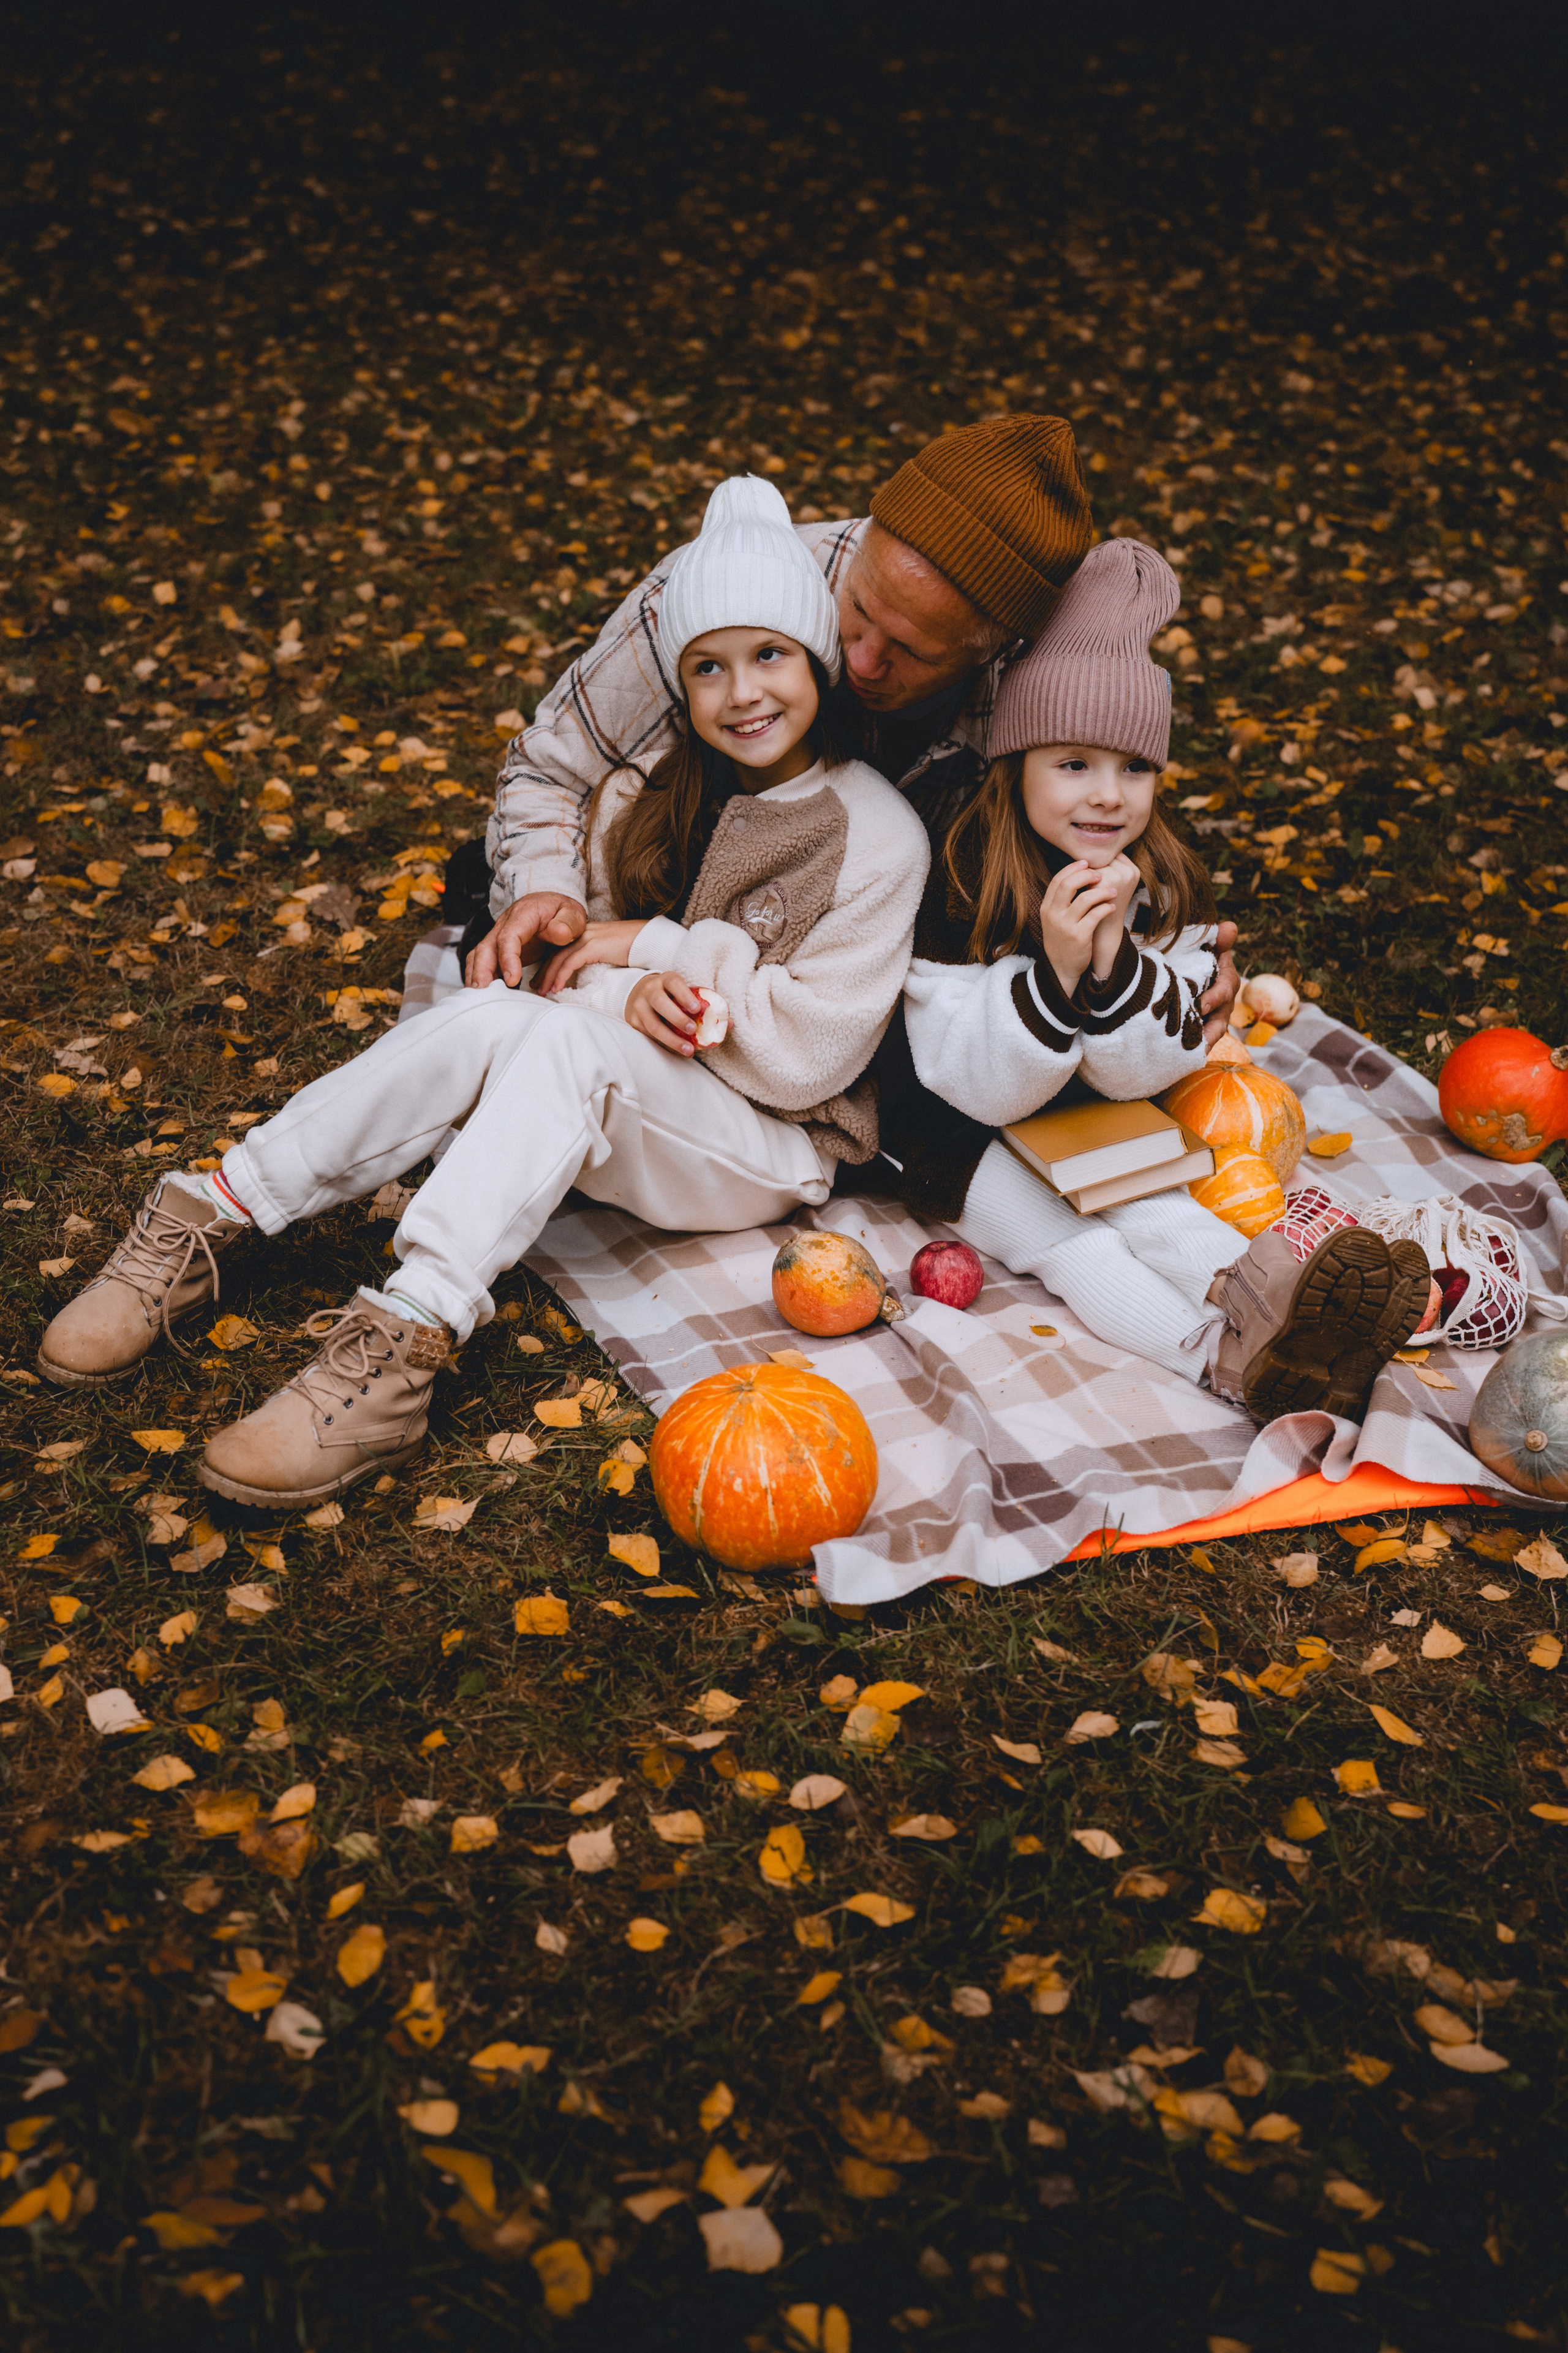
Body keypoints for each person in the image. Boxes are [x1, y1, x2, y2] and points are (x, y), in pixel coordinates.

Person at [37, 478, 930, 1506]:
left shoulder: (874, 833)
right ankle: (218, 1210)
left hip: (774, 1144)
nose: (743, 693)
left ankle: (405, 1336)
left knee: (560, 1042)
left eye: (770, 654)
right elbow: (570, 989)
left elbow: (809, 1055)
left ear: (816, 656)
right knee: (492, 1015)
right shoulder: (665, 792)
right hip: (640, 1090)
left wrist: (658, 951)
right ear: (680, 687)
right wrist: (624, 992)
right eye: (708, 667)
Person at [463, 413, 1241, 1038]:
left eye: (911, 651)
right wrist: (543, 893)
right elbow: (550, 767)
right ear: (863, 539)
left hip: (839, 978)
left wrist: (1174, 961)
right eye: (859, 609)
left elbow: (1103, 820)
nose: (862, 659)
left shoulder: (1034, 686)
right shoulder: (723, 596)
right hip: (662, 905)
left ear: (992, 650)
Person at [884, 537, 1430, 1423]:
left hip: (1082, 1110)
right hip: (952, 1126)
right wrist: (1056, 970)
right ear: (1016, 760)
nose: (1108, 795)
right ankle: (1223, 1363)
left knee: (1159, 1201)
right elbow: (972, 1083)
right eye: (1074, 764)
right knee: (1071, 1245)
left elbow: (1140, 1072)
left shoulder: (1159, 878)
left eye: (1133, 767)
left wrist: (1114, 960)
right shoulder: (959, 870)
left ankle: (1287, 1314)